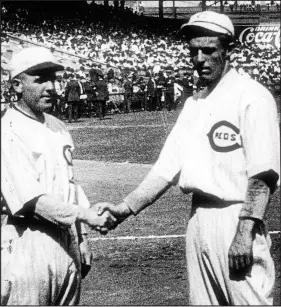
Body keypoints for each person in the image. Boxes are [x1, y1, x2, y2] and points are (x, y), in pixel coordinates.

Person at [95, 11, 280, 305]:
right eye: (194, 51)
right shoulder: (194, 104)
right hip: (198, 220)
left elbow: (263, 174)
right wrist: (124, 208)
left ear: (228, 50)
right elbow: (166, 169)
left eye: (208, 50)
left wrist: (244, 231)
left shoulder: (253, 97)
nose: (199, 59)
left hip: (236, 216)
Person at [1, 47, 115, 305]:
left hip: (66, 240)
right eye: (41, 79)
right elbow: (31, 201)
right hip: (26, 238)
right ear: (17, 85)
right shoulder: (6, 128)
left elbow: (70, 185)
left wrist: (82, 237)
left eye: (55, 78)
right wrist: (85, 215)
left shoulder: (58, 126)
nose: (52, 86)